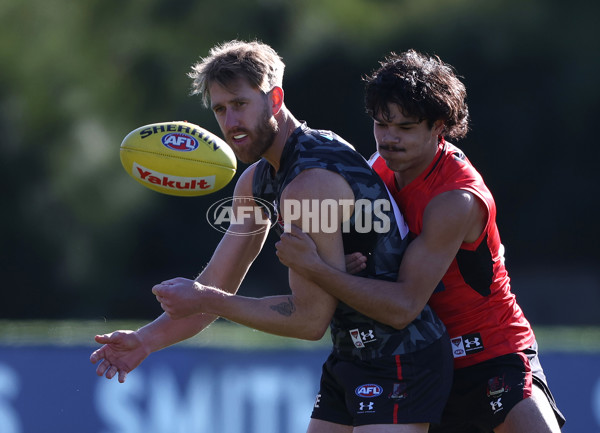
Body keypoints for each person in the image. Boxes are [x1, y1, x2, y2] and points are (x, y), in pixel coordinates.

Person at [90, 40, 453, 433]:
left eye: (240, 104)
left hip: (403, 356)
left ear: (275, 98)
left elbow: (308, 319)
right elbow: (215, 283)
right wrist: (145, 341)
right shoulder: (258, 179)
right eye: (220, 110)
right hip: (351, 355)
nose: (230, 122)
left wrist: (208, 299)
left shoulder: (308, 182)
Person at [275, 50, 566, 433]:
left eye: (406, 128)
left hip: (490, 353)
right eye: (381, 124)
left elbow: (402, 306)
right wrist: (338, 264)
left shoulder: (454, 199)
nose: (389, 139)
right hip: (419, 357)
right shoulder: (378, 169)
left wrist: (316, 268)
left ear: (439, 126)